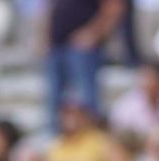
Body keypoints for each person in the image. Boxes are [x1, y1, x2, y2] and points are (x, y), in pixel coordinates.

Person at [45, 0, 123, 131]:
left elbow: (114, 7)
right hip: (56, 46)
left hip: (82, 50)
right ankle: (57, 144)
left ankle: (92, 140)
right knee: (54, 103)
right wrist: (46, 38)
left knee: (87, 101)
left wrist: (94, 33)